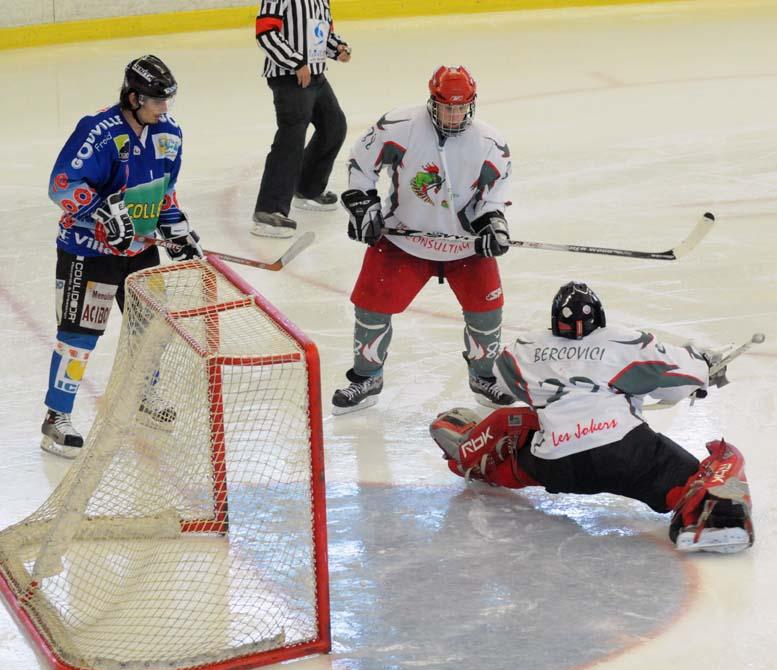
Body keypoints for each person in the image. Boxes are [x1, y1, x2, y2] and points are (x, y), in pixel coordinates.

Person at [429, 281, 755, 554]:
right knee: (695, 476)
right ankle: (713, 519)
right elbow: (679, 383)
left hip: (555, 464)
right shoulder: (625, 340)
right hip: (622, 453)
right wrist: (705, 368)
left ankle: (470, 450)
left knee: (516, 432)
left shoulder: (525, 347)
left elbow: (500, 386)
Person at [41, 55, 202, 458]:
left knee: (149, 329)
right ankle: (56, 418)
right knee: (78, 337)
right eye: (156, 100)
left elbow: (165, 191)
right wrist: (100, 214)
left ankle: (143, 397)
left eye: (168, 99)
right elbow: (62, 184)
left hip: (142, 251)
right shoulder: (98, 130)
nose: (164, 108)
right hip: (90, 252)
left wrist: (176, 228)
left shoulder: (169, 133)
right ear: (133, 97)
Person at [332, 65, 516, 415]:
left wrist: (494, 227)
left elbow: (491, 202)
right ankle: (366, 377)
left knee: (487, 310)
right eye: (446, 106)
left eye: (461, 107)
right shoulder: (400, 126)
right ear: (432, 102)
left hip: (464, 246)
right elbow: (361, 163)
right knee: (371, 305)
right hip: (404, 236)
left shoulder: (491, 144)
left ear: (472, 105)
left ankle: (484, 377)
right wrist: (363, 206)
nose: (453, 114)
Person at [252, 0, 351, 238]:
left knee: (334, 126)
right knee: (291, 138)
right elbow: (265, 33)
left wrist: (337, 48)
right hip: (288, 77)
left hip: (315, 76)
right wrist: (295, 61)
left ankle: (308, 189)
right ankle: (269, 209)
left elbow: (321, 34)